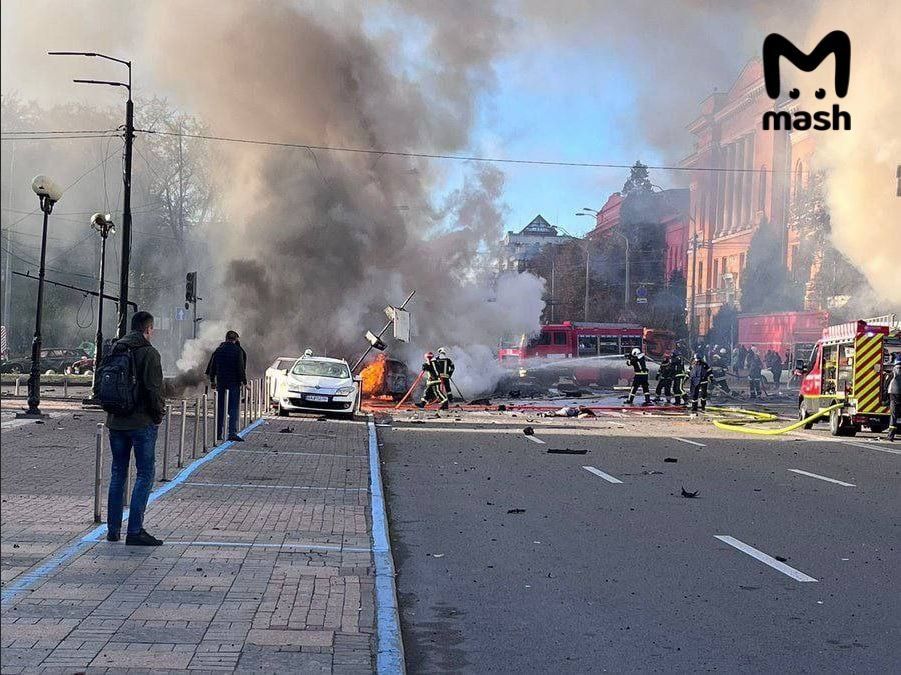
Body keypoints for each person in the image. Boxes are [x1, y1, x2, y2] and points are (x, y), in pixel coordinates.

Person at [105, 311, 165, 546]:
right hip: (141, 423)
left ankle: (112, 529)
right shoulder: (149, 353)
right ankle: (135, 530)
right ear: (148, 329)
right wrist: (158, 415)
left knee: (118, 473)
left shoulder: (115, 348)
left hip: (115, 421)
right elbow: (153, 390)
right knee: (144, 474)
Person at [206, 330, 247, 441]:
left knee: (220, 407)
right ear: (236, 339)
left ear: (226, 338)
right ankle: (232, 432)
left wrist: (212, 381)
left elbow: (212, 366)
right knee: (233, 408)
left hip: (221, 382)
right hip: (234, 382)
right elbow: (241, 368)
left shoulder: (219, 350)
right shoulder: (238, 351)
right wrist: (244, 382)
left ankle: (218, 433)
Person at [886, 352, 900, 442]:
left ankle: (890, 436)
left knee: (893, 415)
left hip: (893, 395)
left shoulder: (893, 372)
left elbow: (886, 384)